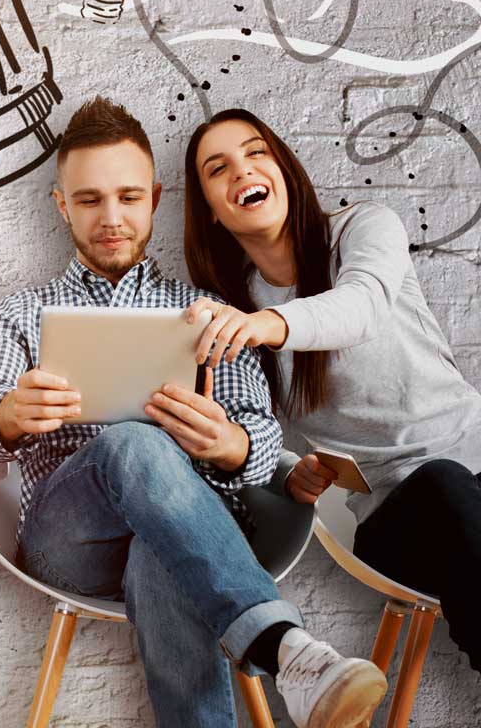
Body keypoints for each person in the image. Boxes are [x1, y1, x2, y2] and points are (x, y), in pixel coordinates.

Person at [0, 96, 387, 728]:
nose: (111, 218)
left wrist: (231, 445)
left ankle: (289, 654)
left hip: (185, 539)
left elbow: (261, 434)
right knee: (134, 441)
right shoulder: (19, 313)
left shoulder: (207, 311)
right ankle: (283, 646)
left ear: (155, 198)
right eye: (89, 199)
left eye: (128, 197)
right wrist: (7, 412)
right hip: (68, 542)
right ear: (60, 204)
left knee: (161, 551)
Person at [184, 107, 481, 674]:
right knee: (442, 482)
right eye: (217, 169)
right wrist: (289, 470)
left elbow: (361, 307)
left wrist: (269, 326)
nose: (242, 171)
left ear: (285, 168)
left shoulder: (364, 227)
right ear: (213, 214)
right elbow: (251, 438)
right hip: (397, 513)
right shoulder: (234, 315)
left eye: (256, 152)